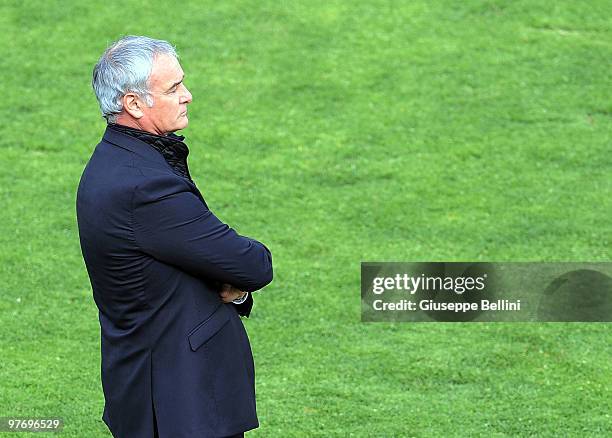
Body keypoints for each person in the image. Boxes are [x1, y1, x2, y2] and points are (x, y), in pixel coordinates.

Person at [76, 35, 273, 438]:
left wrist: (231, 289)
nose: (187, 95)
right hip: (181, 403)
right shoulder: (145, 188)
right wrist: (238, 285)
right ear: (133, 104)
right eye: (173, 88)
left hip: (154, 390)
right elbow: (251, 263)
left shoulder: (117, 161)